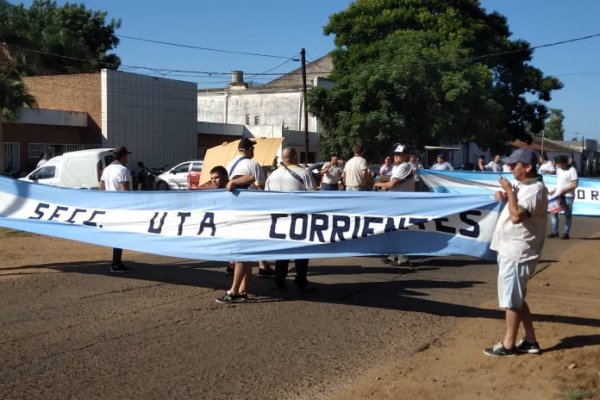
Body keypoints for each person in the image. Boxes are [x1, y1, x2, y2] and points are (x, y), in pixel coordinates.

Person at [484, 148, 547, 357]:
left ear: (527, 167)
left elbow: (517, 216)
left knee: (511, 300)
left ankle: (509, 344)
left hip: (518, 250)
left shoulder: (535, 188)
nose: (510, 168)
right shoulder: (524, 185)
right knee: (516, 297)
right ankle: (530, 340)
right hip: (511, 248)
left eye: (514, 165)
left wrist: (510, 192)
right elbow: (516, 207)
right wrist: (506, 196)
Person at [216, 138, 269, 303]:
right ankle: (237, 291)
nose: (253, 151)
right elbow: (261, 187)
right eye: (252, 148)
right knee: (243, 254)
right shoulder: (253, 164)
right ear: (248, 149)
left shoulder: (230, 164)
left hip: (234, 213)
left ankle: (240, 291)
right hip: (250, 213)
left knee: (243, 254)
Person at [265, 147, 317, 293]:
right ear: (294, 156)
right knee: (302, 251)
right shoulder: (303, 173)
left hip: (278, 220)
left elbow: (266, 198)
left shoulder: (272, 175)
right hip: (299, 219)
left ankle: (279, 280)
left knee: (282, 252)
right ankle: (301, 280)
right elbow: (314, 195)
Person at [374, 144, 415, 266]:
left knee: (401, 229)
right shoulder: (397, 167)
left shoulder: (405, 166)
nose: (396, 156)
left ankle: (403, 257)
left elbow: (392, 184)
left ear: (406, 156)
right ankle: (394, 255)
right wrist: (380, 180)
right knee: (394, 229)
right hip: (396, 202)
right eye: (395, 154)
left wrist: (379, 184)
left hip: (403, 202)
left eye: (399, 154)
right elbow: (390, 179)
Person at [99, 146, 132, 273]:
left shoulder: (106, 169)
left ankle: (116, 262)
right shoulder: (123, 170)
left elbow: (101, 188)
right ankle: (116, 263)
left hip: (110, 206)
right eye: (126, 155)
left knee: (118, 235)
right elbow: (125, 192)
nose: (127, 158)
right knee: (120, 235)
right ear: (123, 156)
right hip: (121, 208)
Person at [548, 155, 578, 240]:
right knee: (553, 213)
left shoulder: (572, 170)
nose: (558, 166)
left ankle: (565, 233)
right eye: (557, 164)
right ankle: (554, 232)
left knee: (567, 215)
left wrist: (564, 190)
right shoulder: (558, 170)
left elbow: (575, 184)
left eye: (559, 164)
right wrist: (554, 190)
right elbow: (559, 182)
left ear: (564, 162)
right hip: (558, 195)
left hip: (568, 196)